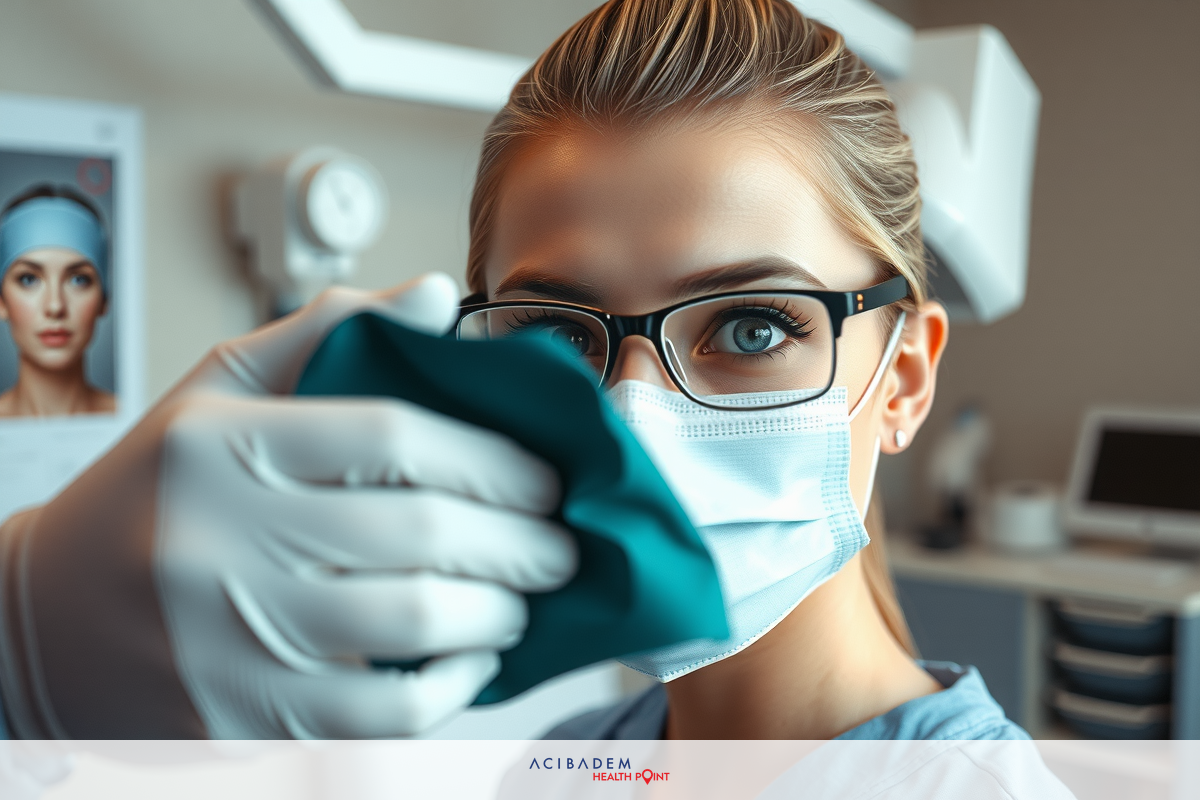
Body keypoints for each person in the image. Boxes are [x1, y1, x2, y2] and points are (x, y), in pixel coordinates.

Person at [0, 2, 1055, 770]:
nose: (638, 412)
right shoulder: (570, 757)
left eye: (751, 325)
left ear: (905, 376)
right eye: (557, 330)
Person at [0, 185, 116, 418]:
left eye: (79, 280)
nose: (55, 306)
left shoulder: (140, 425)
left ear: (104, 300)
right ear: (1, 302)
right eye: (28, 279)